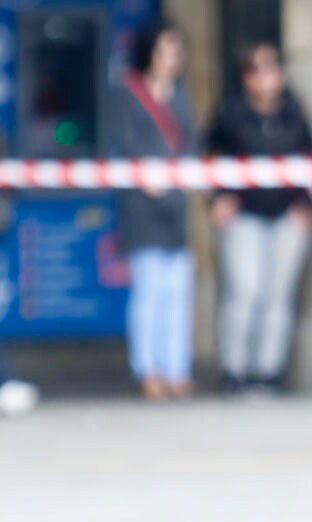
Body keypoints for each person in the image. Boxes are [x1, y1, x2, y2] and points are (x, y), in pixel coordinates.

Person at [205, 43, 312, 393]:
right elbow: (207, 158)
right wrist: (219, 197)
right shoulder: (231, 114)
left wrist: (305, 204)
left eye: (270, 68)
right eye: (255, 69)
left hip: (286, 216)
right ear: (245, 77)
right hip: (244, 216)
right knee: (245, 290)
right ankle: (234, 370)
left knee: (278, 294)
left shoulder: (295, 114)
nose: (264, 78)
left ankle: (268, 371)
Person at [111, 23, 197, 400]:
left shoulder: (182, 96)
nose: (173, 59)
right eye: (166, 50)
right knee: (149, 289)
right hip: (141, 203)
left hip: (175, 204)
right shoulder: (128, 93)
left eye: (177, 51)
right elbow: (123, 140)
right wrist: (145, 174)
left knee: (177, 289)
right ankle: (147, 369)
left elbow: (191, 143)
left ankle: (177, 367)